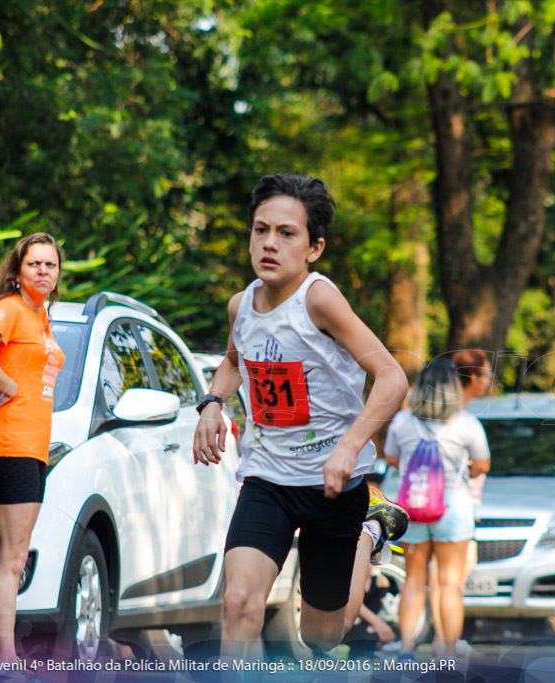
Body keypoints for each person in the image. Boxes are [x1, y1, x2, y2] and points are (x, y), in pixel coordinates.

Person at [192, 174, 410, 660]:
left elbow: (392, 377)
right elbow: (234, 359)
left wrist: (349, 448)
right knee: (239, 604)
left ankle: (370, 530)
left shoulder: (319, 299)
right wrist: (212, 403)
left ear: (314, 248)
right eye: (260, 229)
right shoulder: (241, 306)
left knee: (322, 635)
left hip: (333, 485)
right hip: (267, 478)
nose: (269, 243)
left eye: (286, 233)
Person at [0, 233, 65, 665]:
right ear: (17, 273)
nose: (43, 271)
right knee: (13, 560)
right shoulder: (10, 309)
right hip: (14, 444)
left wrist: (7, 385)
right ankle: (6, 662)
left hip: (27, 446)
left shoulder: (39, 317)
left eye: (51, 265)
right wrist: (6, 387)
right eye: (34, 264)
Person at [384, 358, 490, 661]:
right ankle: (447, 650)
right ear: (454, 388)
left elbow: (391, 459)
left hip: (413, 508)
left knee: (414, 580)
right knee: (450, 584)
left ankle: (406, 649)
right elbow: (482, 464)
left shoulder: (402, 421)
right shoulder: (466, 422)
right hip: (452, 508)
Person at [426, 349, 492, 658]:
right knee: (449, 575)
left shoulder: (451, 411)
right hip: (452, 504)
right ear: (474, 378)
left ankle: (446, 639)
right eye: (488, 375)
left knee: (451, 574)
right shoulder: (458, 414)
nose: (489, 382)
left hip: (456, 503)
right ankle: (444, 641)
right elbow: (480, 463)